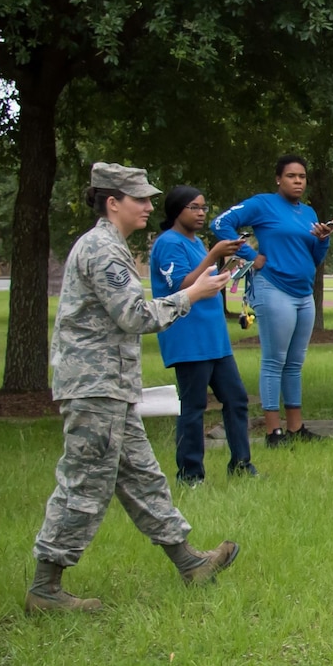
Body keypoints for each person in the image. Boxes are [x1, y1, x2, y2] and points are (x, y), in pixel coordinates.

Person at [27, 164, 242, 613]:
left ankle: (189, 563)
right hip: (93, 388)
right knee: (84, 485)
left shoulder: (111, 247)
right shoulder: (103, 250)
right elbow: (134, 316)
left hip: (111, 388)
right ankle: (45, 590)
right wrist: (192, 295)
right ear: (113, 202)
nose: (149, 206)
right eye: (140, 199)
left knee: (144, 478)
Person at [212, 154, 333, 448]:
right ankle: (273, 432)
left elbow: (315, 258)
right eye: (291, 176)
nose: (297, 182)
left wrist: (323, 239)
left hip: (303, 292)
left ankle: (296, 428)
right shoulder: (262, 204)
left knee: (295, 363)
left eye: (302, 177)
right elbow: (221, 224)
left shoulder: (307, 213)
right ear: (278, 178)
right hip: (273, 287)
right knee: (274, 361)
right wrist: (251, 256)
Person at [150, 186, 254, 484]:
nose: (200, 213)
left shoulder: (196, 242)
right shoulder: (168, 243)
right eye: (193, 207)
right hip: (189, 339)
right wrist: (213, 255)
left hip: (214, 338)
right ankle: (190, 474)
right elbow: (181, 287)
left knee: (236, 399)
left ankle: (241, 464)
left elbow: (205, 280)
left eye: (203, 208)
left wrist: (227, 267)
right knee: (193, 406)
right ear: (176, 211)